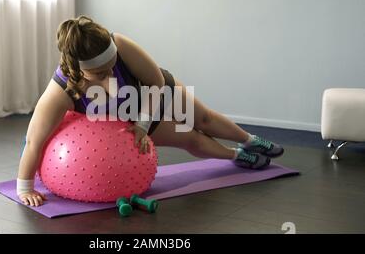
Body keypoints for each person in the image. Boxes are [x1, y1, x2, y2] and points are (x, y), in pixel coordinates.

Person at [16, 15, 284, 207]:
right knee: (190, 138)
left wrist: (144, 126)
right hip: (128, 116)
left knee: (202, 119)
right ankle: (237, 156)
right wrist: (24, 188)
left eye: (112, 64)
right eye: (100, 72)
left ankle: (250, 140)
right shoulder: (61, 91)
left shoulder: (118, 43)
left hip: (153, 92)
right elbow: (34, 140)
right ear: (79, 68)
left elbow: (156, 82)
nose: (110, 72)